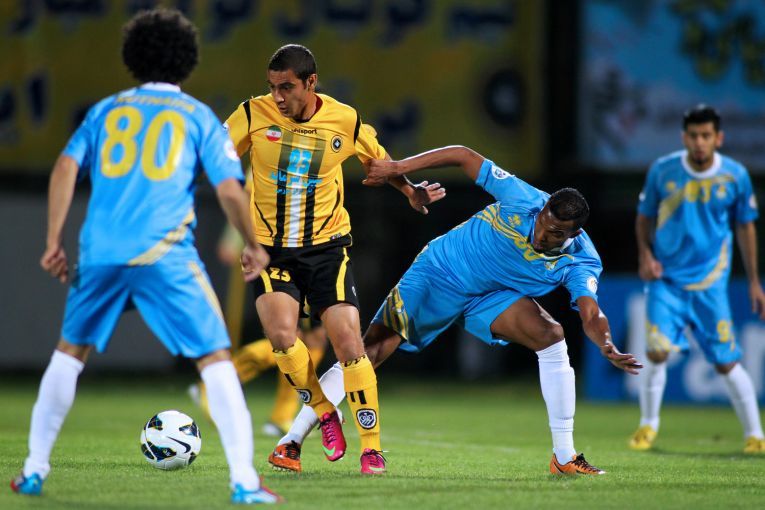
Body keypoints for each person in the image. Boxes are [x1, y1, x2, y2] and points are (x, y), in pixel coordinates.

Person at [10, 8, 281, 504]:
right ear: (188, 61)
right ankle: (244, 481)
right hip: (165, 253)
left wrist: (53, 241)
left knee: (69, 354)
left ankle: (33, 470)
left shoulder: (105, 111)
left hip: (100, 253)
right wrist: (252, 242)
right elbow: (229, 189)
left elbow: (65, 168)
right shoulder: (197, 115)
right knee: (215, 359)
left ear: (132, 58)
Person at [267, 145, 642, 475]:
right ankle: (291, 441)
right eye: (543, 223)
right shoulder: (522, 197)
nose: (542, 235)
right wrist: (399, 168)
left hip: (491, 296)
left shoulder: (581, 261)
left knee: (551, 335)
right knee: (370, 351)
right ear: (541, 209)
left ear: (573, 235)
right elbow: (463, 155)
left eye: (556, 234)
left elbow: (591, 313)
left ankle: (564, 456)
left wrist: (606, 343)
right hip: (441, 270)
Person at [223, 44, 445, 474]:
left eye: (286, 87)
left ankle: (372, 449)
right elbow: (217, 160)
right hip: (271, 250)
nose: (277, 97)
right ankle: (326, 413)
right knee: (282, 338)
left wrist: (409, 190)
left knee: (348, 343)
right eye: (272, 87)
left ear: (310, 82)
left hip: (327, 248)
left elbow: (379, 161)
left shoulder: (344, 119)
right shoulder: (252, 114)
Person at [630, 104, 765, 453]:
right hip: (666, 279)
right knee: (656, 351)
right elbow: (644, 216)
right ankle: (648, 425)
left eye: (706, 135)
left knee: (726, 362)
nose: (699, 142)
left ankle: (755, 434)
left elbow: (745, 226)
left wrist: (754, 281)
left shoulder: (735, 176)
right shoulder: (663, 170)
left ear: (718, 138)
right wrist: (645, 255)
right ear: (684, 137)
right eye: (693, 136)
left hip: (710, 282)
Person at [188, 217, 328, 437]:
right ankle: (216, 383)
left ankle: (281, 416)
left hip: (313, 246)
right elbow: (250, 199)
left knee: (308, 340)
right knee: (297, 338)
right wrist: (234, 237)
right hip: (292, 250)